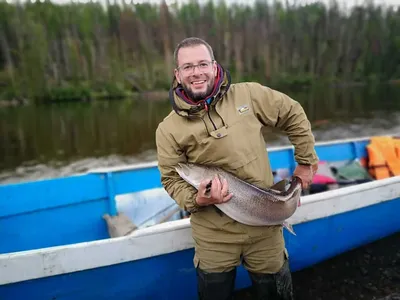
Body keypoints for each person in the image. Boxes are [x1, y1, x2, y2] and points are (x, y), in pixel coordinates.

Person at [155, 37, 319, 300]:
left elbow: (293, 113)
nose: (196, 72)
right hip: (213, 234)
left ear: (214, 65)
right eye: (187, 67)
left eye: (202, 64)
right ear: (177, 74)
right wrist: (196, 198)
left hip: (266, 223)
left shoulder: (248, 95)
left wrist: (306, 162)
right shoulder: (167, 129)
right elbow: (172, 179)